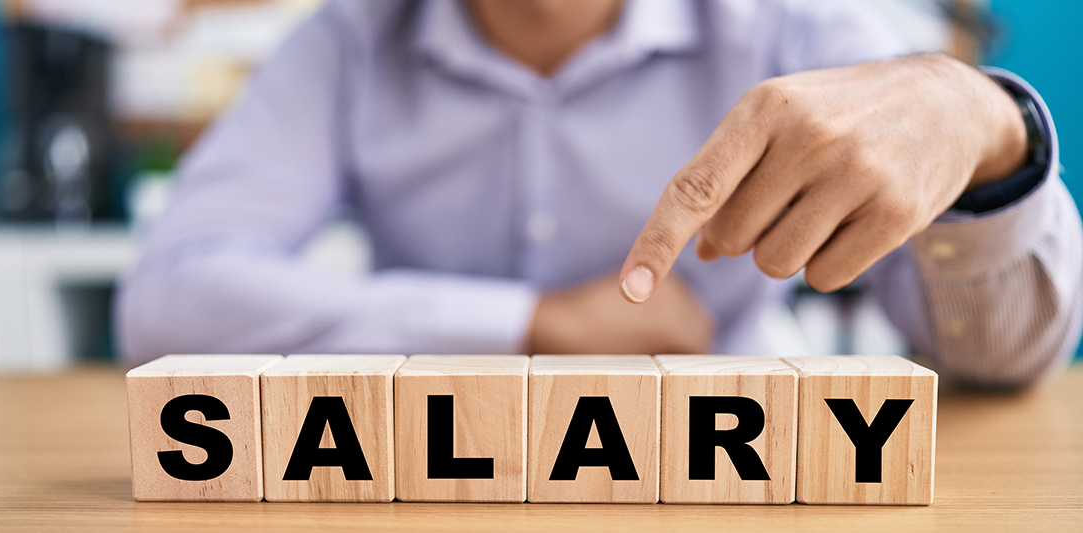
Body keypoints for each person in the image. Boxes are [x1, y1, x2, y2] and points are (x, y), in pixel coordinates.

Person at [116, 0, 1083, 387]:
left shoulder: (798, 25)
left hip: (729, 504)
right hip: (423, 512)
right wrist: (529, 322)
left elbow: (1005, 364)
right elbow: (168, 302)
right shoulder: (347, 41)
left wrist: (993, 130)